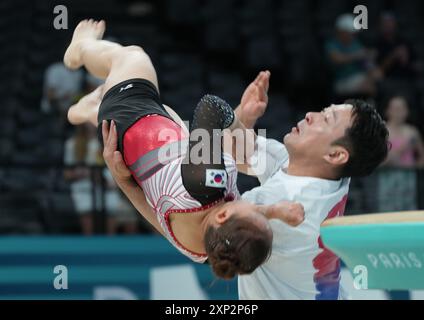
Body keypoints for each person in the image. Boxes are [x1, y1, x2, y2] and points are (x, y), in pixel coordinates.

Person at [64, 19, 304, 279]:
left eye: (255, 211)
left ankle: (80, 49)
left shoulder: (207, 184)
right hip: (145, 151)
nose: (257, 206)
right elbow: (149, 211)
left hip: (135, 120)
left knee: (133, 56)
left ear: (223, 215)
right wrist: (122, 181)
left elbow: (210, 106)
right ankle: (89, 109)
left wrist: (240, 131)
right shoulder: (201, 251)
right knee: (176, 121)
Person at [378, 96, 424, 212]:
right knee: (387, 211)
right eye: (395, 108)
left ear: (407, 111)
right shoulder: (382, 132)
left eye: (401, 108)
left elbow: (422, 157)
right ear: (388, 110)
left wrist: (415, 167)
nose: (398, 112)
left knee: (407, 210)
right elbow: (377, 160)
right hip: (387, 178)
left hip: (408, 178)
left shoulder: (412, 132)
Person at [325, 14, 379, 97]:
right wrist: (358, 55)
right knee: (368, 85)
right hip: (342, 81)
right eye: (350, 33)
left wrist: (369, 56)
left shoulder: (355, 43)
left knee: (376, 76)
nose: (352, 36)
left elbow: (365, 60)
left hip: (360, 76)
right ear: (341, 31)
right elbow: (337, 59)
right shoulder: (332, 44)